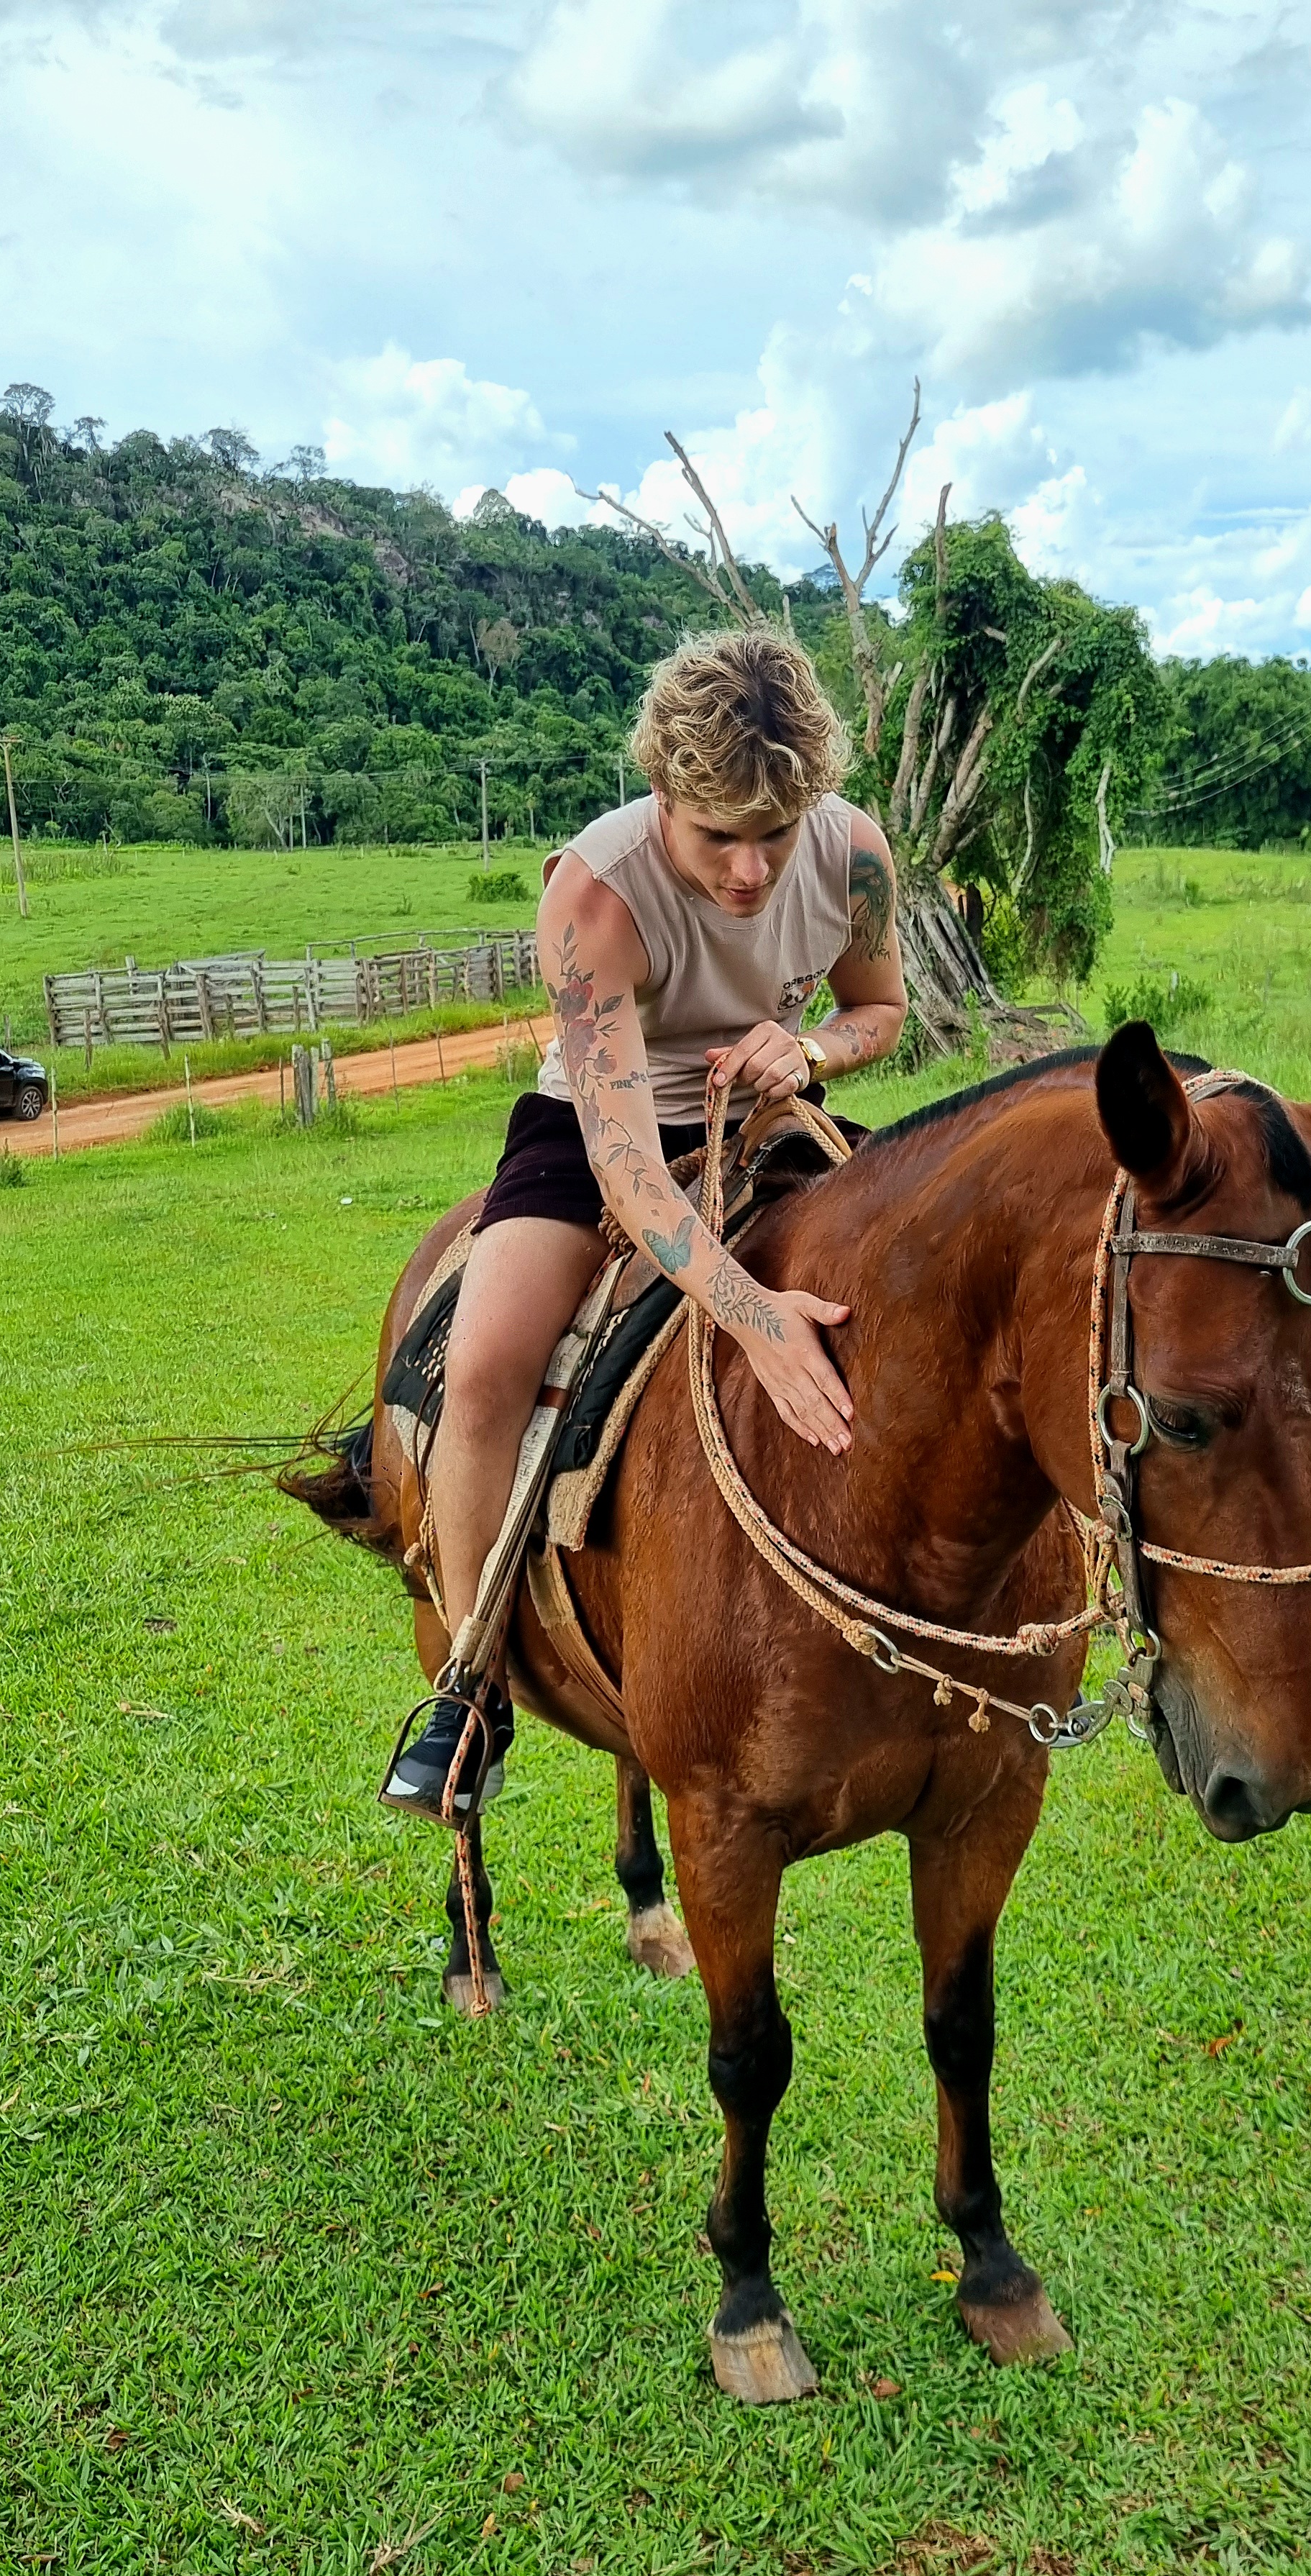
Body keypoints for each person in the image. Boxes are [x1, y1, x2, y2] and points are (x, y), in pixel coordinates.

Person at [383, 627, 908, 1819]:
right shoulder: (596, 894)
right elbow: (630, 1176)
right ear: (663, 792)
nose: (749, 873)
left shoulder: (856, 855)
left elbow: (881, 1008)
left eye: (776, 836)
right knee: (487, 1366)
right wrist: (756, 1317)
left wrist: (815, 1046)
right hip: (605, 1134)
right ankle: (470, 1689)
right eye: (718, 836)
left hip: (771, 1118)